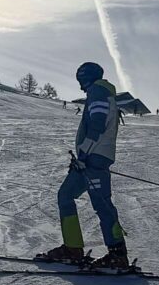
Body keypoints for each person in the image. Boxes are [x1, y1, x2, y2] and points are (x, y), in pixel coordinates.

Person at [39, 61, 129, 270]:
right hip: (89, 159)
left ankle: (118, 255)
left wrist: (84, 153)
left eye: (80, 79)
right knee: (65, 195)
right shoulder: (100, 93)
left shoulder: (98, 91)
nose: (80, 85)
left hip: (94, 158)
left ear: (86, 77)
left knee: (102, 204)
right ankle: (73, 248)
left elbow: (98, 125)